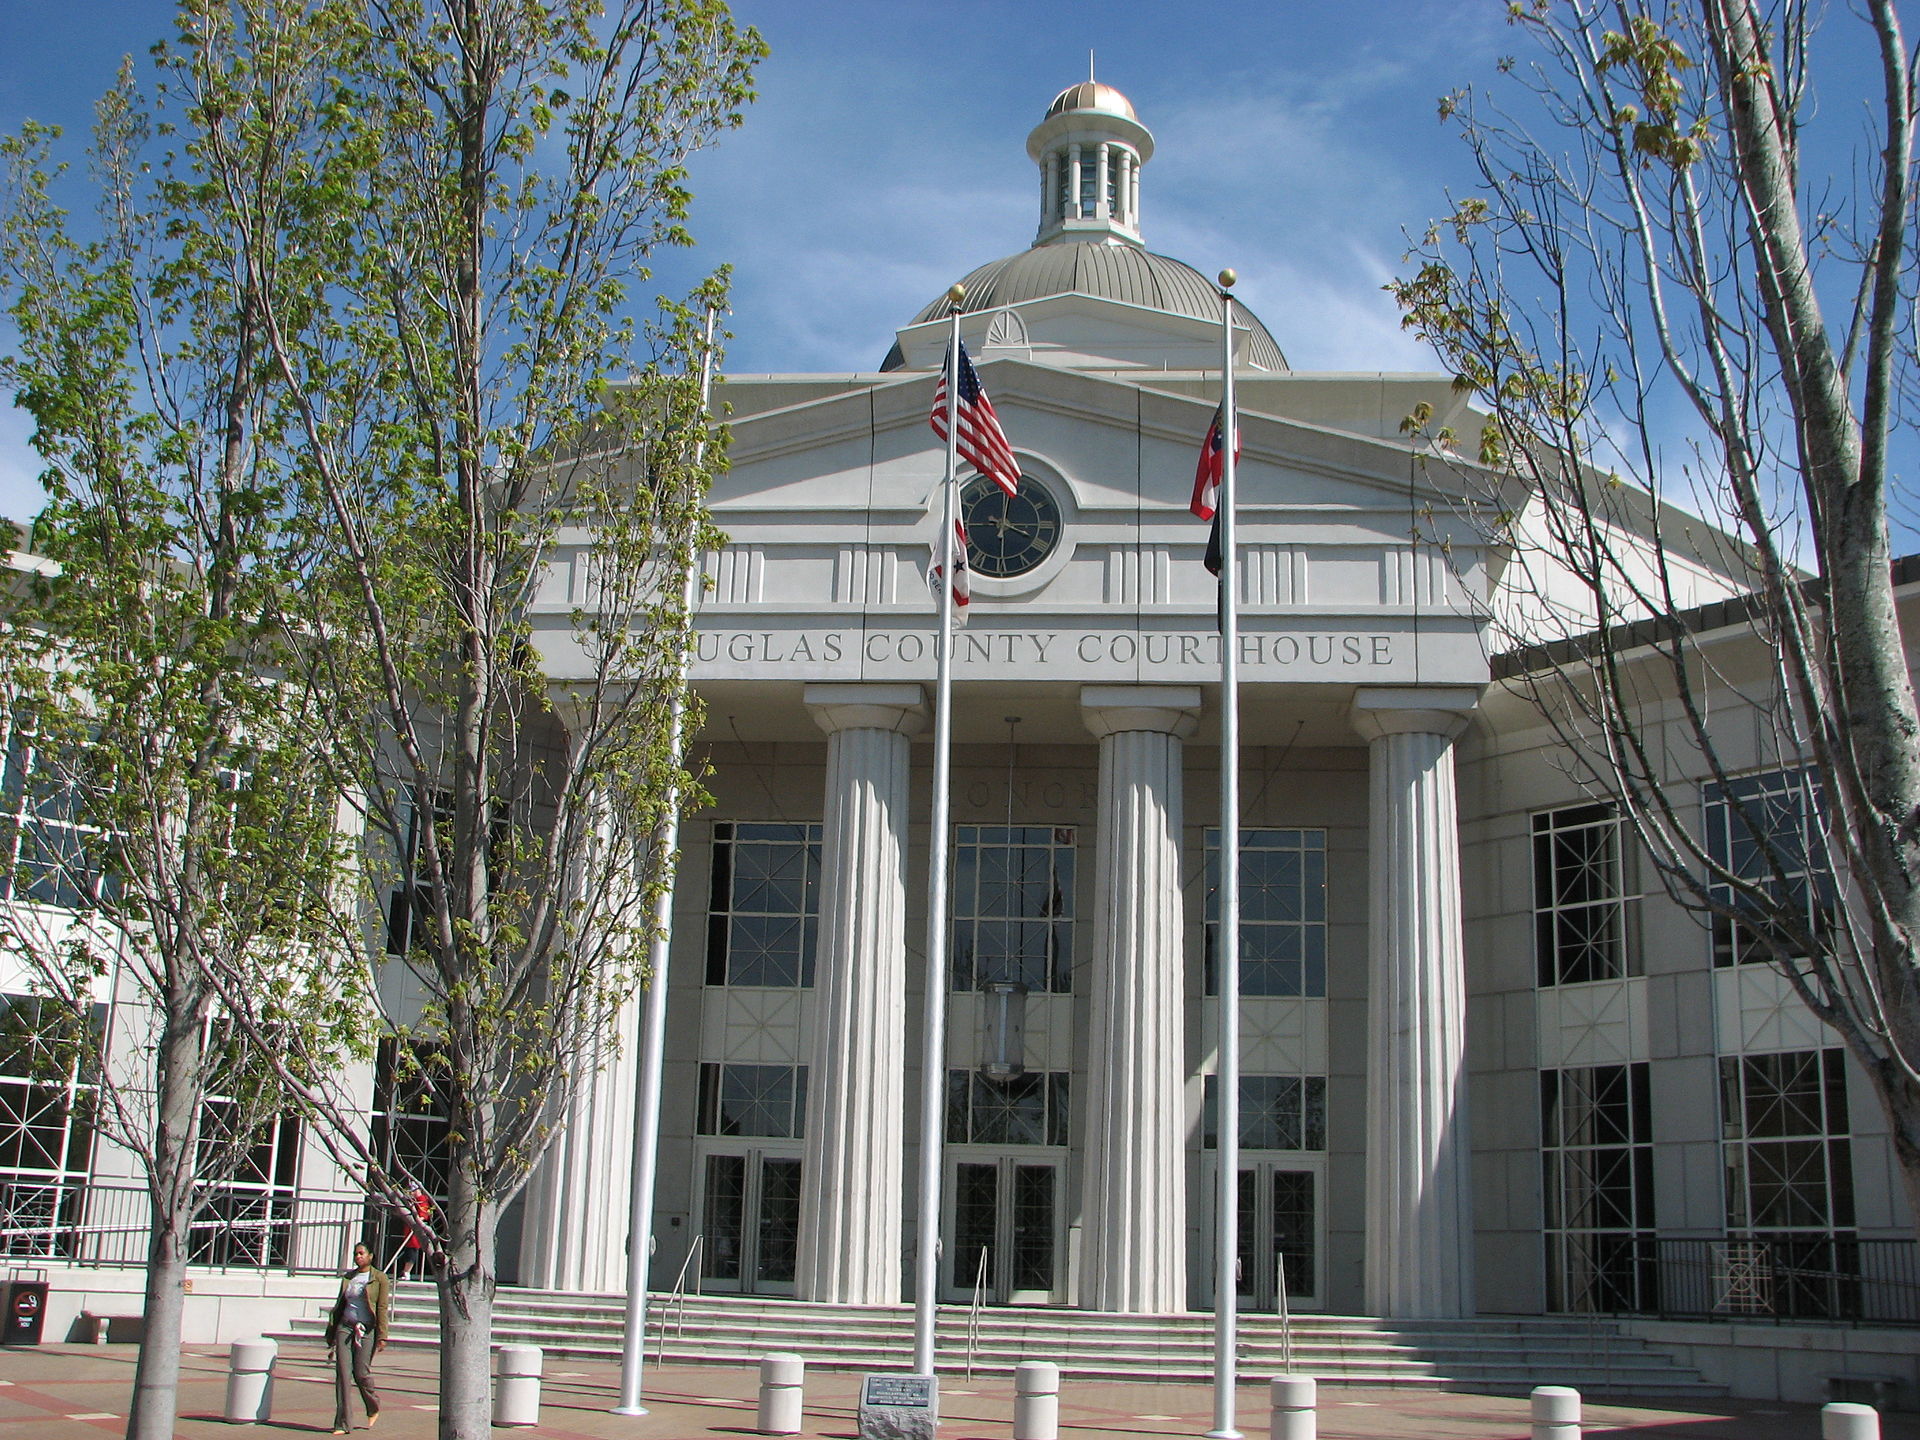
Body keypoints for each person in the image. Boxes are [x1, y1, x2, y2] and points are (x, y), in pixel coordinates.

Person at [324, 1241, 389, 1434]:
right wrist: (331, 1333)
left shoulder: (380, 1279)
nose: (358, 1256)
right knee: (343, 1375)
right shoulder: (348, 1278)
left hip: (366, 1330)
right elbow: (340, 1304)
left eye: (361, 1253)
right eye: (356, 1254)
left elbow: (382, 1308)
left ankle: (373, 1405)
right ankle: (342, 1423)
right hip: (346, 1327)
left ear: (370, 1256)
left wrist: (382, 1335)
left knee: (361, 1373)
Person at [394, 1189, 430, 1281]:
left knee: (412, 1251)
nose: (412, 1193)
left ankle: (407, 1272)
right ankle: (405, 1271)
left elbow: (423, 1214)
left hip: (414, 1232)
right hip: (409, 1230)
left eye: (414, 1191)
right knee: (408, 1250)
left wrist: (417, 1222)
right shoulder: (413, 1201)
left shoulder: (422, 1199)